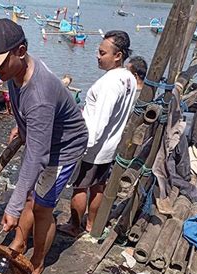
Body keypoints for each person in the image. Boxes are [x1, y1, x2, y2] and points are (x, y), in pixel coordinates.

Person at [0, 19, 88, 274]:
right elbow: (18, 100)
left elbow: (38, 158)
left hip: (63, 148)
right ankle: (19, 240)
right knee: (28, 194)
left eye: (1, 64)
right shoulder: (15, 71)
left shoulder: (39, 95)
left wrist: (12, 208)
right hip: (42, 139)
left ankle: (37, 261)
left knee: (40, 207)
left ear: (21, 51)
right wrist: (22, 124)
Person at [59, 30, 137, 237]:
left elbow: (100, 120)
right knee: (98, 186)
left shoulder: (109, 84)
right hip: (110, 145)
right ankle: (91, 224)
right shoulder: (128, 77)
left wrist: (83, 145)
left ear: (117, 55)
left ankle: (75, 226)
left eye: (103, 53)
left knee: (79, 187)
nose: (97, 56)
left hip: (93, 146)